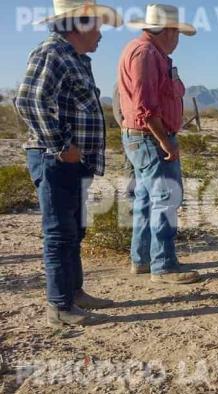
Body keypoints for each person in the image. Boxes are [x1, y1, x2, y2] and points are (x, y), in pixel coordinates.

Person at [15, 0, 122, 327]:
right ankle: (59, 306)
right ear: (79, 24)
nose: (101, 34)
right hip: (54, 159)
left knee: (74, 230)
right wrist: (61, 145)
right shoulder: (52, 53)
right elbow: (28, 100)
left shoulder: (74, 58)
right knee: (59, 232)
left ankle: (73, 293)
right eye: (97, 26)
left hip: (73, 162)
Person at [117, 4, 200, 284]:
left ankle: (142, 258)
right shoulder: (145, 54)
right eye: (176, 33)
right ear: (167, 31)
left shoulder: (148, 52)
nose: (177, 40)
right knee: (166, 198)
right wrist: (165, 141)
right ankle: (163, 265)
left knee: (145, 199)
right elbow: (145, 106)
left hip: (143, 137)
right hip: (151, 137)